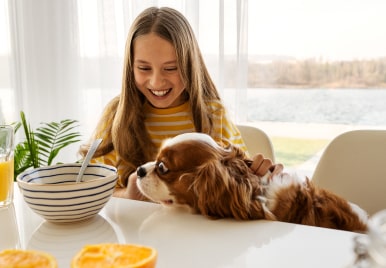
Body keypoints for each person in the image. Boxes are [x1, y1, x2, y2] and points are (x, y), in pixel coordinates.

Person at [79, 6, 280, 200]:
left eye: (171, 68)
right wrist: (128, 195)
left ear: (189, 66)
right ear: (130, 67)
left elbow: (240, 186)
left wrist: (264, 178)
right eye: (144, 68)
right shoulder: (116, 115)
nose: (156, 81)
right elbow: (86, 190)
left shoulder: (213, 115)